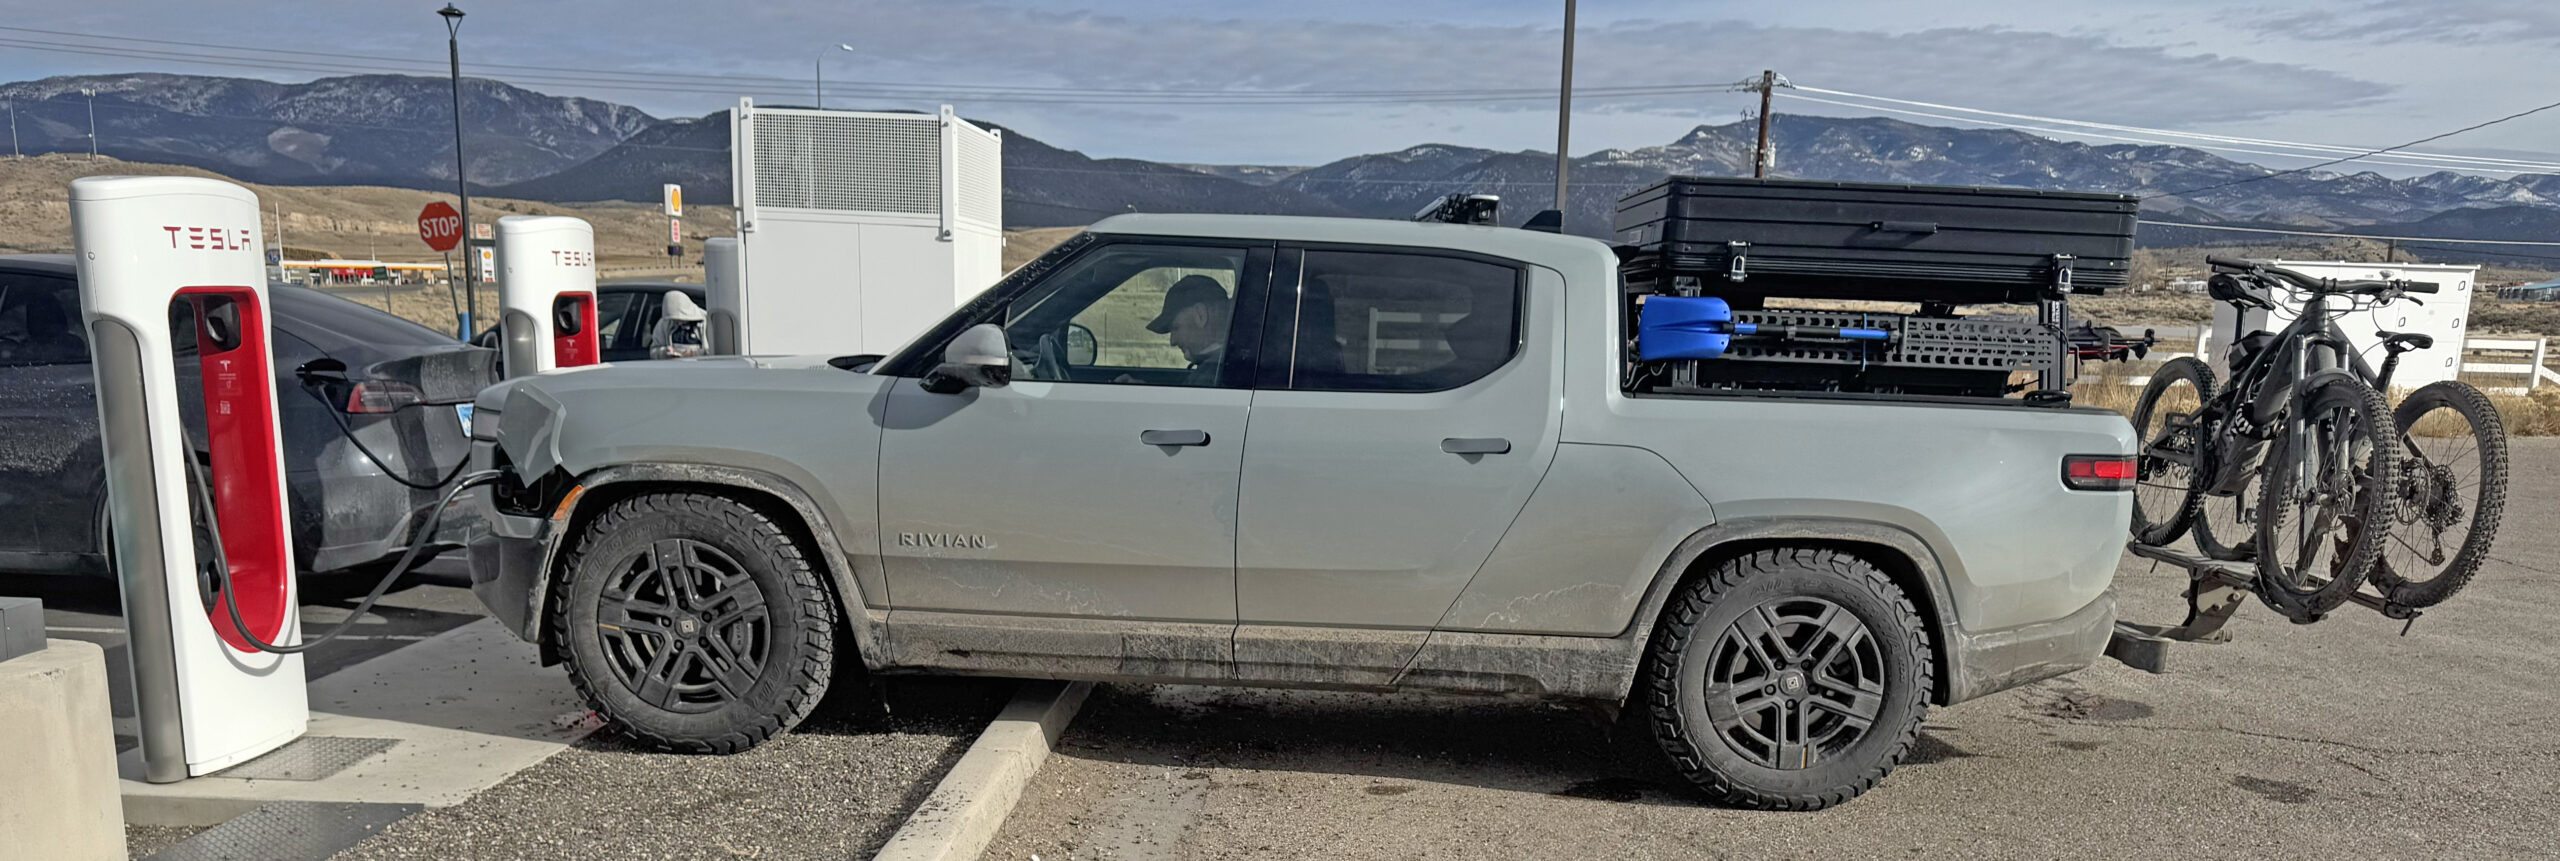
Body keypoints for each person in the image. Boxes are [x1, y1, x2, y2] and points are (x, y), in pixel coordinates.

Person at [1143, 275, 1230, 385]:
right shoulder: (1224, 365)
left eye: (1176, 328)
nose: (1172, 341)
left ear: (1200, 315)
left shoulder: (1212, 375)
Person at [648, 290, 707, 359]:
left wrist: (693, 354)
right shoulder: (664, 324)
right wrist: (665, 352)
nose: (678, 322)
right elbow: (654, 351)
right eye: (675, 320)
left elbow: (713, 351)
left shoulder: (705, 323)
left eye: (679, 319)